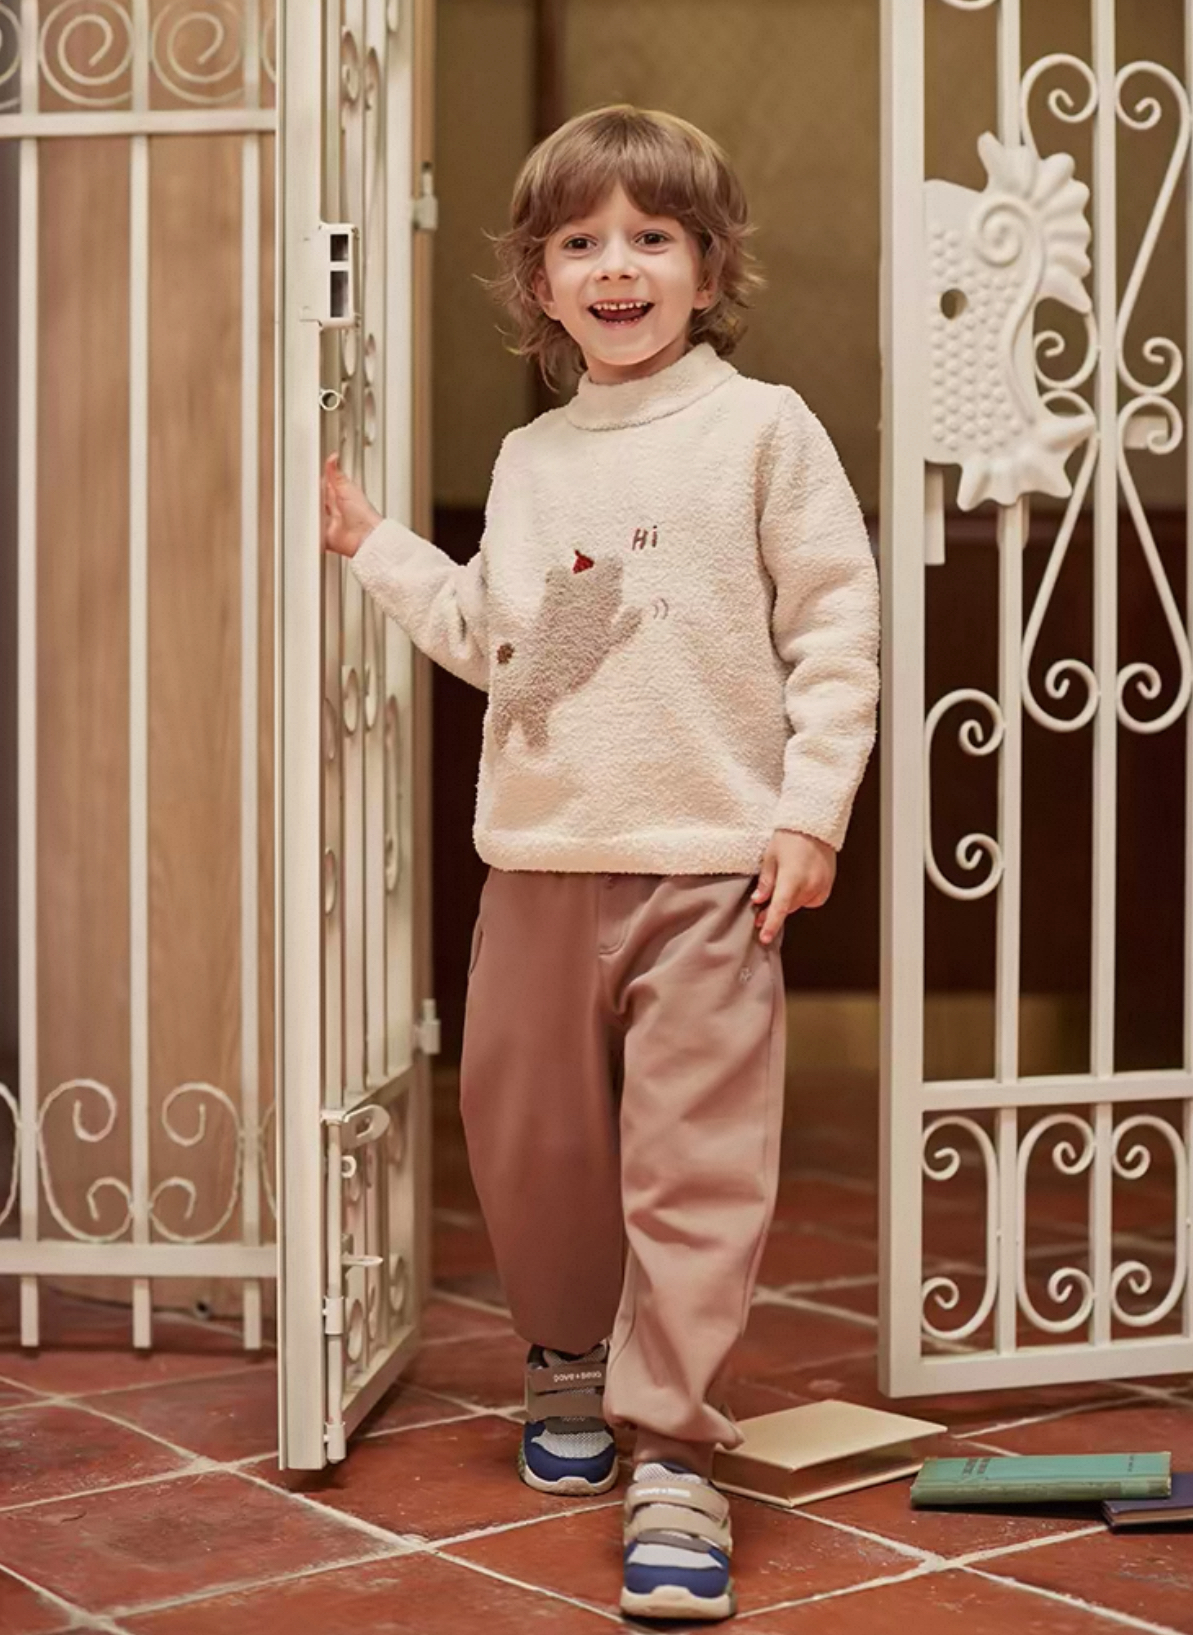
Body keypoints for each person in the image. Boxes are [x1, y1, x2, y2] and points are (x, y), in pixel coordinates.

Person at [322, 103, 879, 1624]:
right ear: (539, 280)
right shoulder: (528, 458)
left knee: (697, 1165)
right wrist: (372, 543)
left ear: (708, 267)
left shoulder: (763, 431)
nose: (616, 266)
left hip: (711, 866)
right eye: (581, 242)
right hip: (540, 862)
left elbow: (836, 631)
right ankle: (567, 1352)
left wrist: (809, 812)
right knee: (531, 1142)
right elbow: (497, 639)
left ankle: (678, 1450)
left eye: (652, 237)